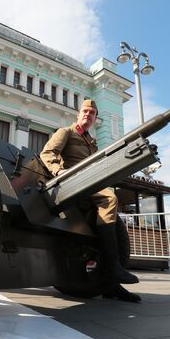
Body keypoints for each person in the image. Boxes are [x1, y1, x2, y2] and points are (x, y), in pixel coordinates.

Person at [40, 98, 140, 303]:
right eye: (85, 111)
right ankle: (112, 266)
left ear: (95, 119)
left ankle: (110, 285)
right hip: (70, 182)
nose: (88, 114)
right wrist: (59, 171)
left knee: (109, 203)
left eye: (92, 113)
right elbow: (47, 153)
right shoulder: (65, 132)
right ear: (78, 114)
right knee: (109, 198)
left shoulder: (91, 142)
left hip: (87, 184)